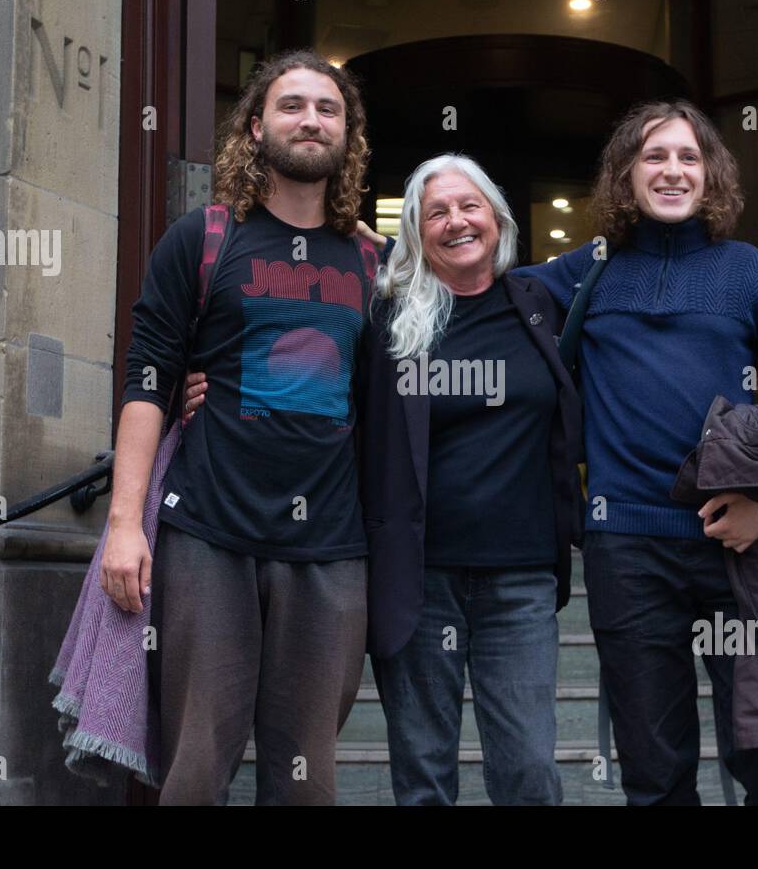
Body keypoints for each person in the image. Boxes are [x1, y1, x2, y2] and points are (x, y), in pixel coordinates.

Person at [185, 154, 582, 805]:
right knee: (423, 775)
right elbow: (300, 348)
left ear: (498, 218)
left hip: (522, 580)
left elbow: (614, 255)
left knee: (531, 772)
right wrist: (193, 378)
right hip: (417, 579)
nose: (457, 220)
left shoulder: (539, 301)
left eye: (470, 205)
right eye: (437, 212)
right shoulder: (388, 316)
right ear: (415, 233)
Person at [513, 99, 758, 805]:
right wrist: (369, 249)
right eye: (653, 156)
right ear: (624, 175)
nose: (671, 170)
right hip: (626, 547)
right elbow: (477, 279)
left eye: (688, 157)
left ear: (711, 175)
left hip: (740, 546)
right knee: (655, 771)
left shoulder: (751, 272)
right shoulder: (588, 271)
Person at [104, 48, 376, 805]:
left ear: (346, 135)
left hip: (329, 545)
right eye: (292, 105)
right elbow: (148, 378)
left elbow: (386, 409)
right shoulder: (203, 239)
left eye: (328, 108)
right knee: (194, 768)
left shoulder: (370, 263)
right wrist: (127, 524)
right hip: (208, 535)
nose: (310, 119)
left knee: (307, 776)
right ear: (256, 128)